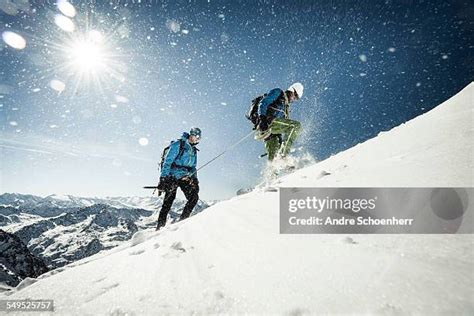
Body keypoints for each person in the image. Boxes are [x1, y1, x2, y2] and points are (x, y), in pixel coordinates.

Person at [156, 127, 201, 230]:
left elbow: (193, 167)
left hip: (185, 177)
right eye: (197, 137)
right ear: (191, 135)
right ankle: (159, 227)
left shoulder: (193, 150)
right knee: (168, 202)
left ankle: (182, 222)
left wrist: (195, 179)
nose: (198, 139)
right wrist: (163, 178)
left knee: (194, 198)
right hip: (172, 176)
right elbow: (168, 162)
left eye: (199, 138)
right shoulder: (178, 144)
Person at [255, 82, 304, 161]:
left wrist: (281, 140)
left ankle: (272, 170)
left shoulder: (286, 108)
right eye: (295, 96)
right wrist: (262, 118)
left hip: (271, 131)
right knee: (296, 126)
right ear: (292, 91)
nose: (294, 99)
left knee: (274, 156)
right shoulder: (278, 93)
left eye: (297, 98)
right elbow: (264, 102)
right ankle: (283, 156)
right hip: (268, 122)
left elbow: (283, 126)